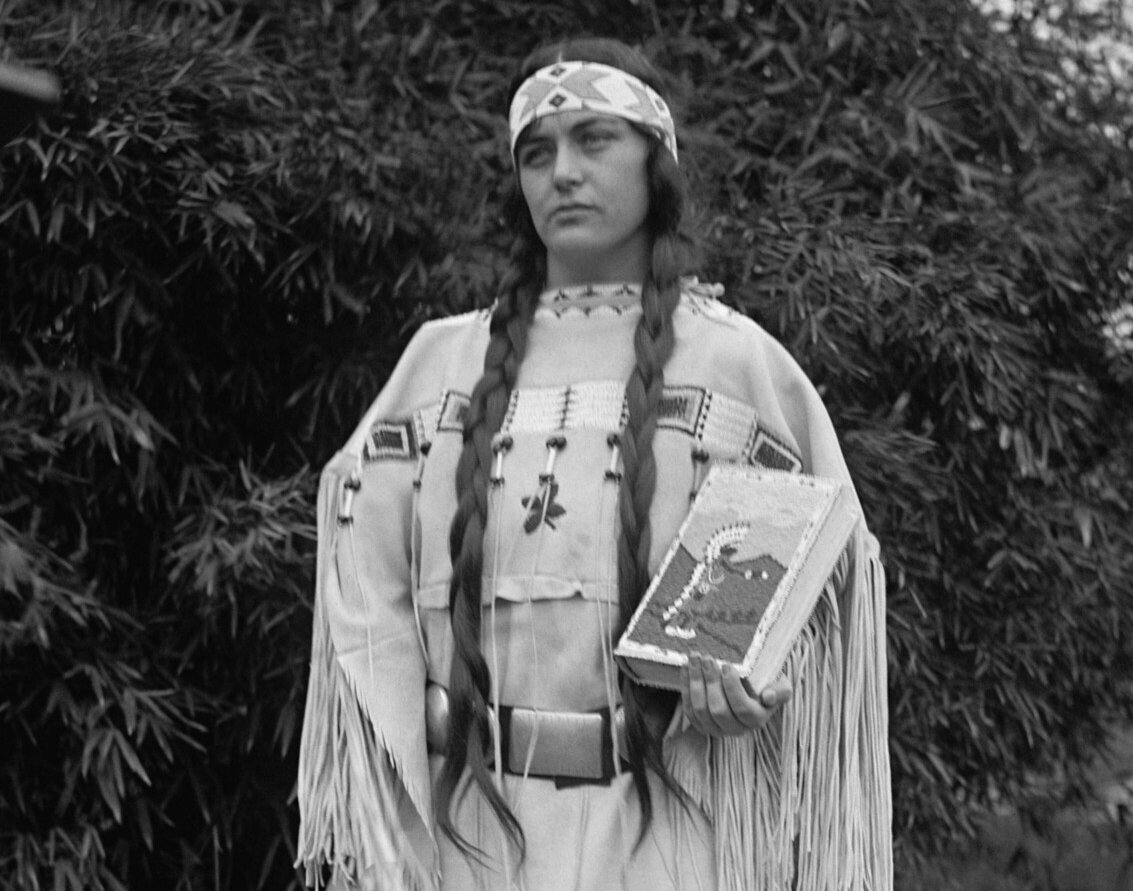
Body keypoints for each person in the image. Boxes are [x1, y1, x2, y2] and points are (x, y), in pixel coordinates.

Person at [296, 37, 892, 891]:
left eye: (594, 139)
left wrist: (757, 689)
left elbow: (817, 609)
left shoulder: (737, 370)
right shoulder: (435, 369)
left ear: (659, 164)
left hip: (672, 829)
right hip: (465, 836)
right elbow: (362, 600)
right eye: (536, 153)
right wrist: (393, 786)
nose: (562, 172)